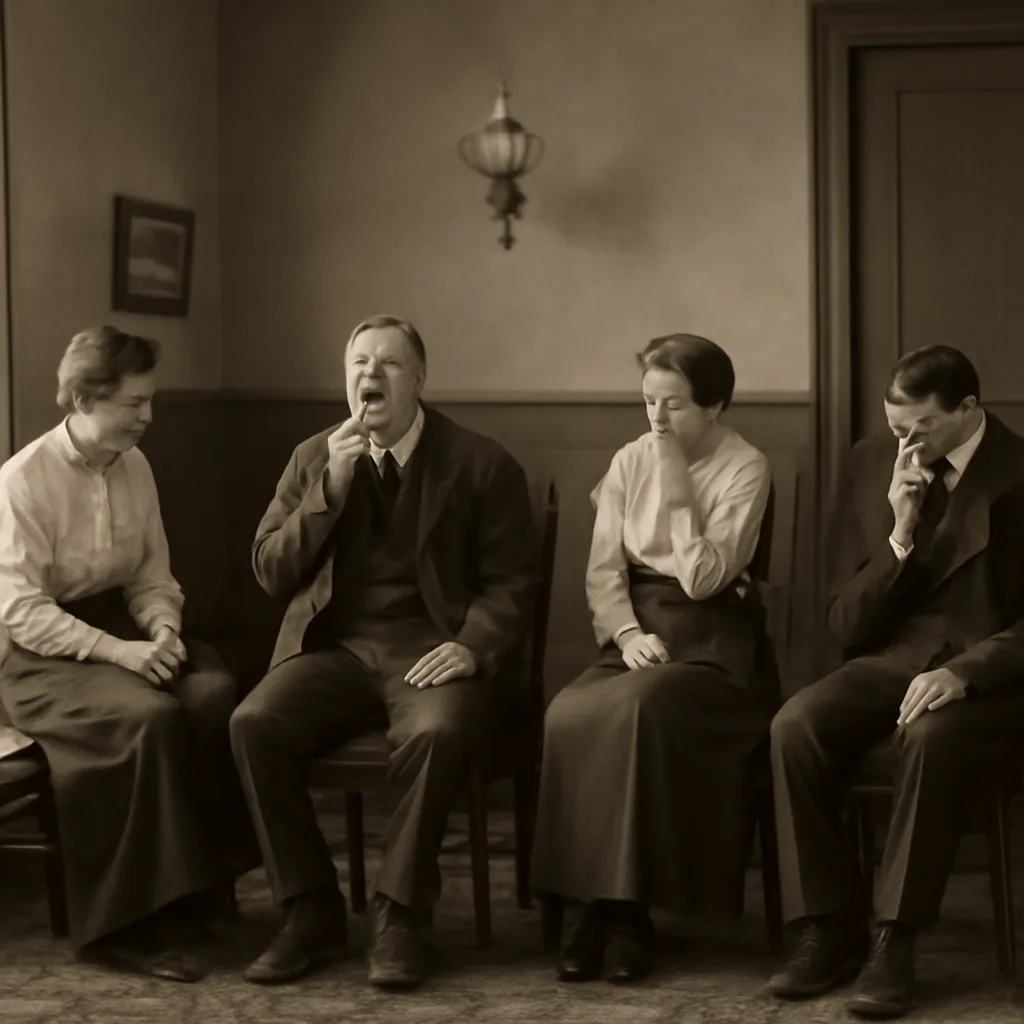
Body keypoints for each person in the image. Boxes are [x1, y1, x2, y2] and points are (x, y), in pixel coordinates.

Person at [230, 314, 538, 989]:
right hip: (336, 651)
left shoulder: (480, 463)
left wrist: (472, 645)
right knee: (253, 723)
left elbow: (512, 581)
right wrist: (328, 492)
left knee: (436, 731)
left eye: (389, 364)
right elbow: (270, 570)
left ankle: (400, 915)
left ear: (419, 379)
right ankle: (310, 908)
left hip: (433, 652)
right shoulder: (314, 457)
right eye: (359, 364)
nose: (370, 374)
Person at [767, 345, 1024, 1018]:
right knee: (795, 726)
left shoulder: (1020, 468)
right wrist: (899, 536)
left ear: (968, 408)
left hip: (992, 675)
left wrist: (966, 671)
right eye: (895, 426)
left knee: (930, 737)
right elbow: (845, 620)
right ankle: (829, 926)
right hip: (892, 660)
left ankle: (895, 941)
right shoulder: (869, 464)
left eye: (922, 426)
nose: (906, 442)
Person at [0, 326, 257, 982]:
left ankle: (204, 891)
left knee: (211, 692)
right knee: (148, 717)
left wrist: (163, 629)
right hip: (42, 658)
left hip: (122, 631)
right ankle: (128, 924)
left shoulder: (134, 465)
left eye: (150, 402)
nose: (147, 417)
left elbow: (150, 576)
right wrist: (118, 652)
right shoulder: (21, 481)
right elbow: (22, 611)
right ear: (84, 399)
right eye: (133, 403)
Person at [530, 333, 777, 984]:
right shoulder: (627, 459)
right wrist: (624, 633)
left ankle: (624, 912)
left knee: (641, 709)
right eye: (648, 402)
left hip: (715, 641)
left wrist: (675, 486)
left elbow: (702, 579)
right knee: (568, 714)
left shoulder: (746, 467)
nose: (657, 419)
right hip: (640, 632)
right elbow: (604, 571)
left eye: (675, 404)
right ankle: (598, 908)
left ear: (714, 406)